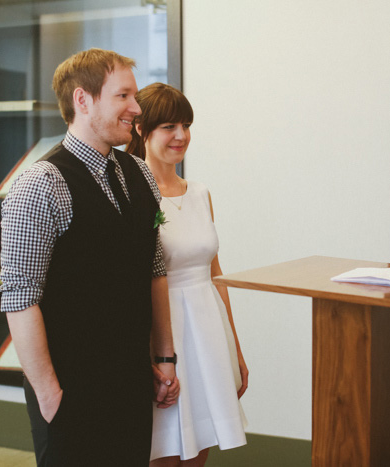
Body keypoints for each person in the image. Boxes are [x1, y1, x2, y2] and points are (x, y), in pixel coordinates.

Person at [0, 48, 179, 466]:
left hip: (131, 383)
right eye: (124, 97)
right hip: (70, 390)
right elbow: (19, 297)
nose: (136, 108)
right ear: (83, 100)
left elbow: (152, 269)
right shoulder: (41, 185)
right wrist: (49, 395)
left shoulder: (139, 175)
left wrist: (163, 358)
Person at [126, 82, 248, 466]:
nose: (181, 136)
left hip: (209, 330)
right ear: (141, 130)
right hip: (163, 332)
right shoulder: (132, 193)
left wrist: (236, 348)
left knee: (202, 445)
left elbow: (215, 272)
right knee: (162, 448)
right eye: (168, 127)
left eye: (186, 125)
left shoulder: (199, 192)